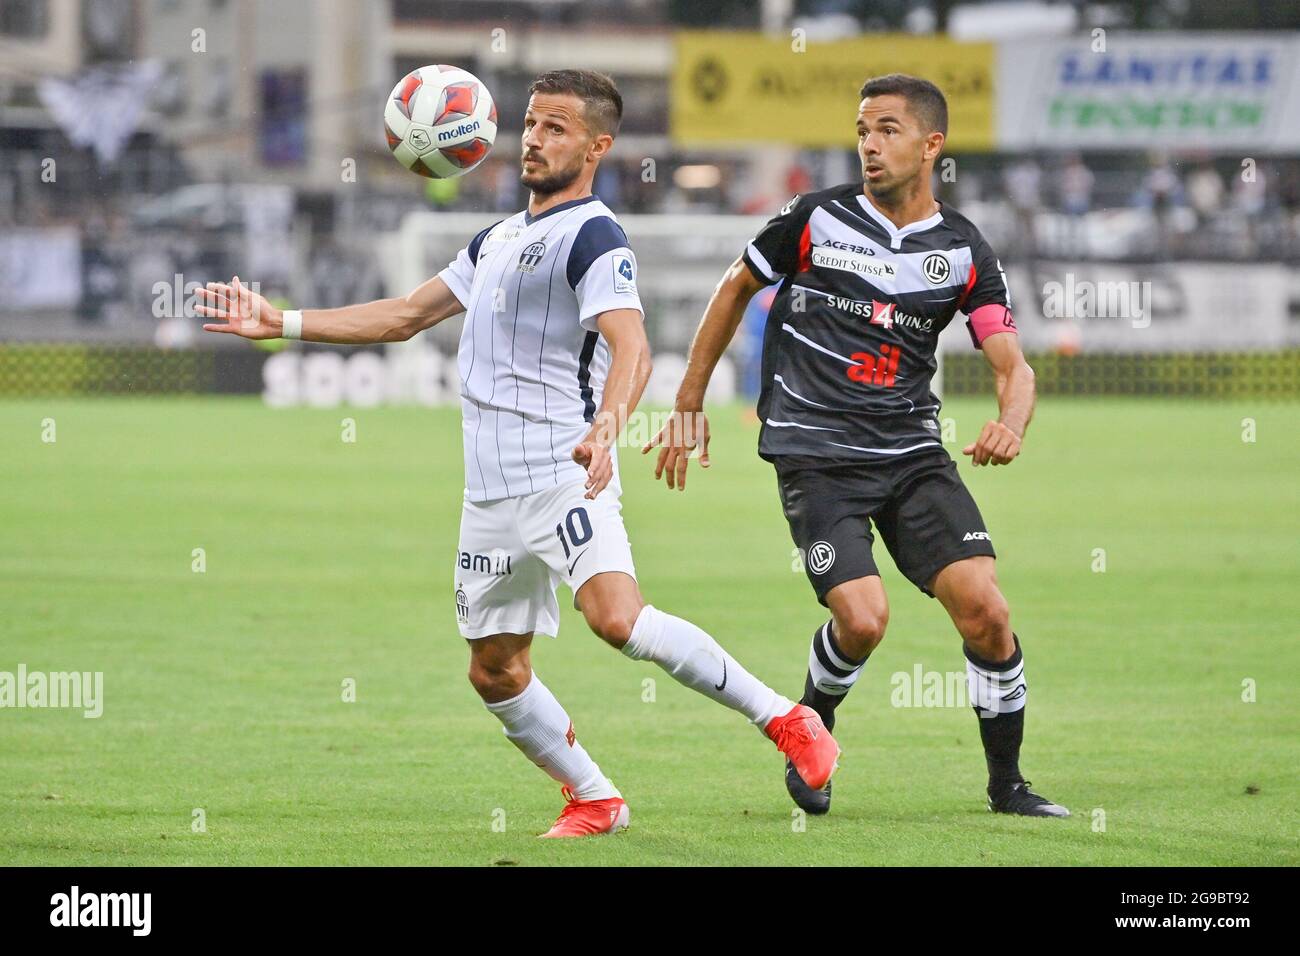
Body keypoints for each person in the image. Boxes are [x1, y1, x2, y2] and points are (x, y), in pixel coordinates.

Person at [195, 69, 838, 838]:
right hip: (487, 489)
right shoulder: (497, 237)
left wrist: (608, 426)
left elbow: (631, 343)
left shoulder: (595, 234)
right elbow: (405, 315)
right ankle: (595, 797)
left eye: (556, 127)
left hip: (560, 469)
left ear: (598, 145)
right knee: (494, 666)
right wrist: (282, 321)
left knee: (618, 620)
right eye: (531, 123)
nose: (533, 138)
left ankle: (786, 719)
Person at [645, 73, 1069, 819]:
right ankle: (814, 727)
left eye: (888, 129)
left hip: (911, 455)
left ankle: (1009, 787)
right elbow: (735, 287)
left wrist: (1013, 420)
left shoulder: (964, 249)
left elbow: (1013, 363)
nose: (869, 144)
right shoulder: (816, 218)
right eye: (863, 129)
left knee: (987, 613)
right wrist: (688, 398)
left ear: (932, 144)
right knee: (864, 620)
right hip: (815, 453)